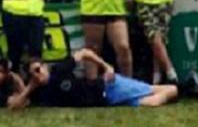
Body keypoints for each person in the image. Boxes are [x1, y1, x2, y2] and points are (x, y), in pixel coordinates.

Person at [8, 48, 177, 109]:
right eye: (33, 74)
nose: (38, 75)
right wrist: (31, 86)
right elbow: (14, 105)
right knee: (149, 102)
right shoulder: (39, 92)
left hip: (108, 87)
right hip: (107, 102)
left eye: (38, 70)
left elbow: (84, 53)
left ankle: (185, 87)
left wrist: (105, 65)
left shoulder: (59, 70)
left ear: (45, 66)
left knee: (165, 92)